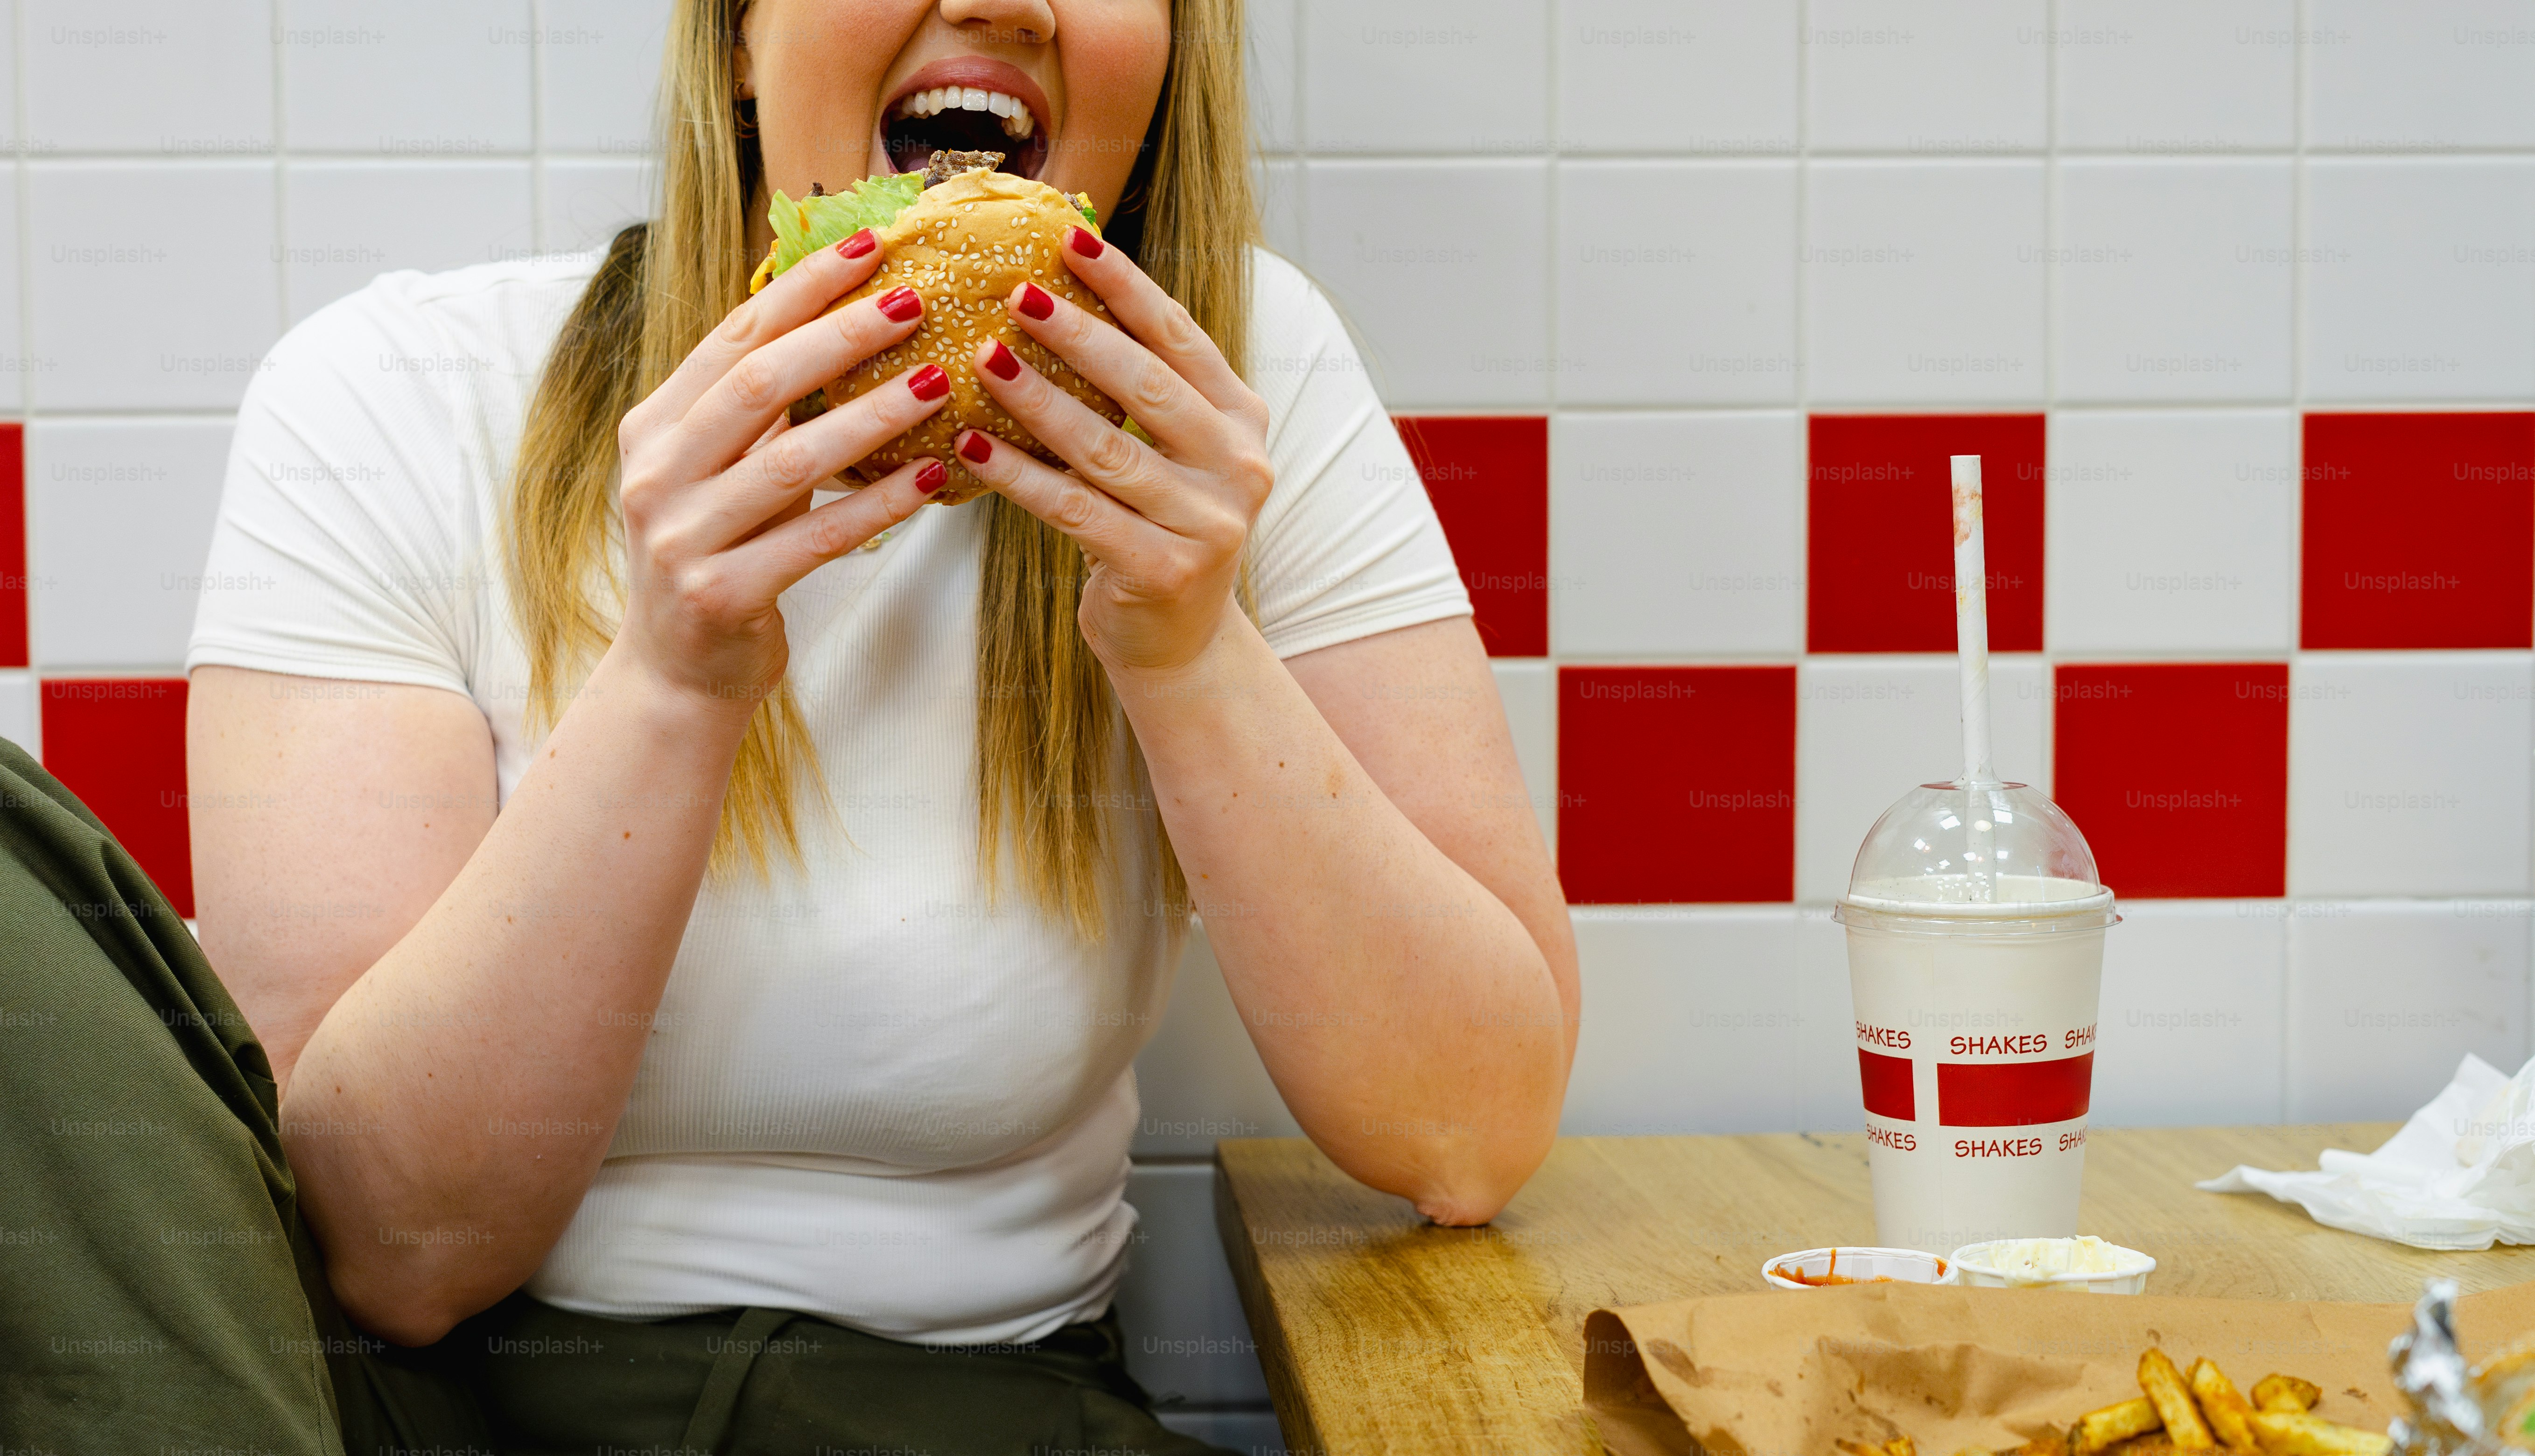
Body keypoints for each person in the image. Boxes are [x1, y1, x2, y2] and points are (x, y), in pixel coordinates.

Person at [129, 0, 1575, 1446]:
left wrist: (1192, 651)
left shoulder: (1234, 388)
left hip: (985, 1409)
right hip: (451, 1408)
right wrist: (675, 679)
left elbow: (1466, 1134)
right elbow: (394, 1253)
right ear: (737, 47)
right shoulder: (396, 391)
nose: (1008, 3)